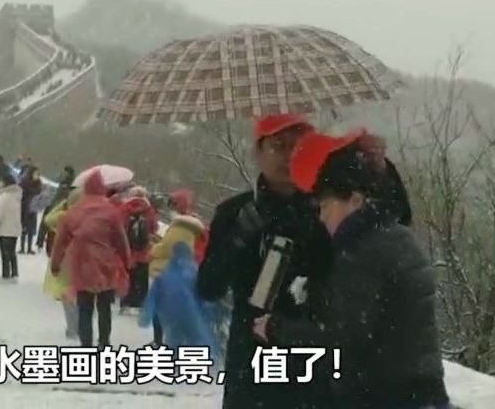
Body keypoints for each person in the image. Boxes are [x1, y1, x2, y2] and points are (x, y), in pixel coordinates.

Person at [196, 113, 413, 409]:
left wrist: (381, 170)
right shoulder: (235, 213)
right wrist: (239, 237)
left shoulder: (327, 207)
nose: (288, 155)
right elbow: (209, 287)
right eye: (278, 145)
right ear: (258, 152)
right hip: (252, 363)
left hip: (315, 356)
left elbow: (394, 221)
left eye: (297, 146)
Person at [253, 130, 450, 409]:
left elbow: (342, 338)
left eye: (324, 206)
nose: (321, 218)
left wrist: (277, 328)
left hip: (386, 397)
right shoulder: (396, 236)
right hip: (418, 391)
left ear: (355, 200)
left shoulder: (363, 252)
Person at [50, 169, 132, 347]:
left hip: (82, 263)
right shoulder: (111, 212)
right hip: (106, 264)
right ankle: (104, 342)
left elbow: (60, 242)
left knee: (84, 307)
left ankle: (86, 344)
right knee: (104, 307)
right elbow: (121, 239)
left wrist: (55, 264)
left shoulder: (73, 212)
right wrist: (127, 261)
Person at [139, 242, 221, 359]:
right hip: (193, 316)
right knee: (194, 341)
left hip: (171, 316)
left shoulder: (163, 277)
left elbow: (151, 300)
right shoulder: (196, 275)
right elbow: (204, 298)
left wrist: (145, 318)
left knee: (174, 340)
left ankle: (175, 363)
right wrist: (210, 314)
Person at [149, 196, 206, 347]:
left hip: (169, 273)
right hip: (188, 272)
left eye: (172, 204)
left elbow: (168, 247)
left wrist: (153, 248)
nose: (169, 209)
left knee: (159, 309)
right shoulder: (194, 227)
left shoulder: (181, 226)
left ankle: (161, 342)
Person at [42, 186, 84, 339]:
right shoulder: (90, 216)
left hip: (66, 258)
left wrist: (63, 203)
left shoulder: (64, 216)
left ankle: (73, 328)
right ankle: (82, 325)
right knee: (81, 293)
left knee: (67, 294)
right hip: (85, 257)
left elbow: (47, 219)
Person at [117, 186, 158, 313]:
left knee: (128, 276)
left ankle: (125, 302)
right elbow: (154, 227)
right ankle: (140, 303)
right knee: (142, 278)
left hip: (128, 250)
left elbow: (119, 226)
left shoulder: (124, 208)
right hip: (143, 252)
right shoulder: (148, 209)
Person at [0, 173, 22, 280]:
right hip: (15, 228)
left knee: (5, 253)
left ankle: (6, 273)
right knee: (12, 252)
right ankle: (14, 272)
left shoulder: (3, 197)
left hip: (4, 229)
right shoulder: (17, 196)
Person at [37, 165, 75, 253]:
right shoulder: (62, 183)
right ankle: (43, 244)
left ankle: (46, 245)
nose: (62, 174)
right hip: (54, 206)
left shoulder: (69, 186)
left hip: (58, 208)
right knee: (47, 225)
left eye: (64, 172)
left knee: (50, 227)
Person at [19, 166, 43, 255]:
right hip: (24, 207)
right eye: (35, 173)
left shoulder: (38, 183)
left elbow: (40, 193)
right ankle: (22, 247)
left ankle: (29, 247)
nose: (36, 175)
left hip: (33, 207)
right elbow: (21, 192)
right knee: (24, 227)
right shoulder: (25, 182)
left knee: (31, 228)